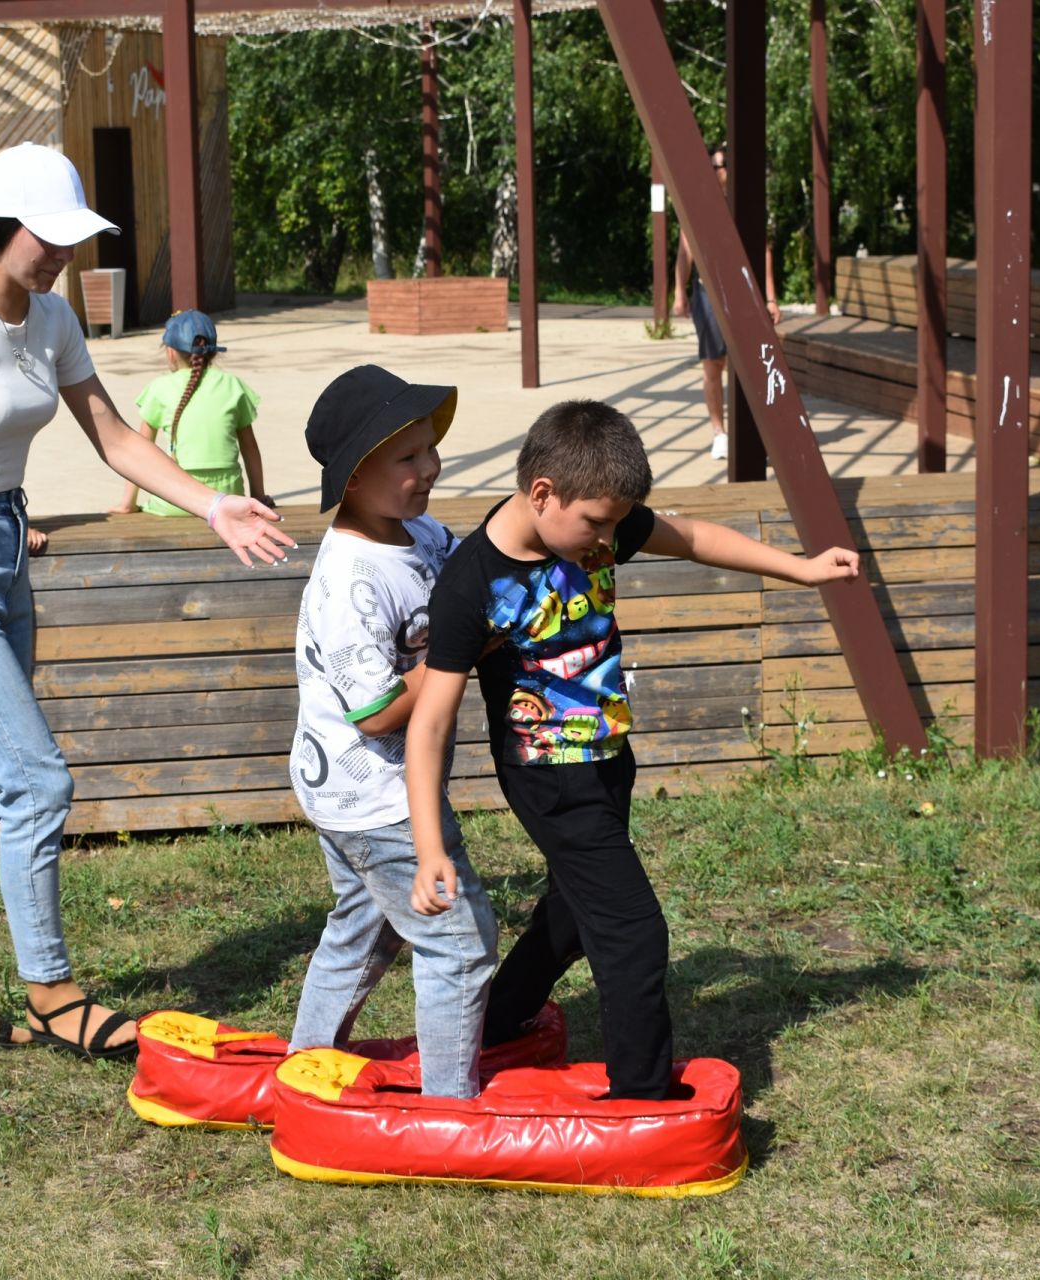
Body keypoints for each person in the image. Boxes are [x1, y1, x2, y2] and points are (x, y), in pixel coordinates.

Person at [0, 142, 294, 1057]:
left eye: (70, 236)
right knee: (39, 778)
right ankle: (53, 994)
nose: (61, 252)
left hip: (6, 544)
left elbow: (111, 436)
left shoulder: (53, 320)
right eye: (45, 234)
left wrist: (214, 505)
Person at [404, 400, 858, 1099]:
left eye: (616, 524)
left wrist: (801, 569)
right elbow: (430, 721)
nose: (608, 539)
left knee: (577, 914)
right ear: (543, 493)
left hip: (609, 756)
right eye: (596, 524)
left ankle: (493, 1025)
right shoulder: (471, 585)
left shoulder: (592, 518)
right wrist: (430, 847)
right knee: (633, 931)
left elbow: (694, 536)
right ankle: (642, 1096)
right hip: (548, 774)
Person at [285, 365, 495, 1099]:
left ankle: (304, 1065)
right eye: (407, 458)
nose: (430, 466)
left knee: (364, 925)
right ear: (353, 479)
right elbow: (374, 711)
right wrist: (464, 647)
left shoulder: (419, 532)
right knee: (459, 946)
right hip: (374, 794)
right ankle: (449, 1108)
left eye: (429, 448)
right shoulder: (349, 579)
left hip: (357, 790)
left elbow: (478, 571)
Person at [672, 145, 781, 464]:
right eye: (712, 167)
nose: (715, 172)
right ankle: (719, 433)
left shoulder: (746, 207)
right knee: (712, 365)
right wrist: (680, 292)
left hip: (743, 297)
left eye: (719, 166)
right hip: (707, 294)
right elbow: (684, 252)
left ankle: (754, 435)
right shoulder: (696, 207)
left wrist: (771, 297)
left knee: (747, 366)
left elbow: (764, 251)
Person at [111, 310, 271, 516]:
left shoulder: (159, 388)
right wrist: (259, 497)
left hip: (176, 501)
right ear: (213, 352)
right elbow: (250, 448)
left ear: (170, 352)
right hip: (228, 499)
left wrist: (127, 504)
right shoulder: (233, 385)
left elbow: (139, 452)